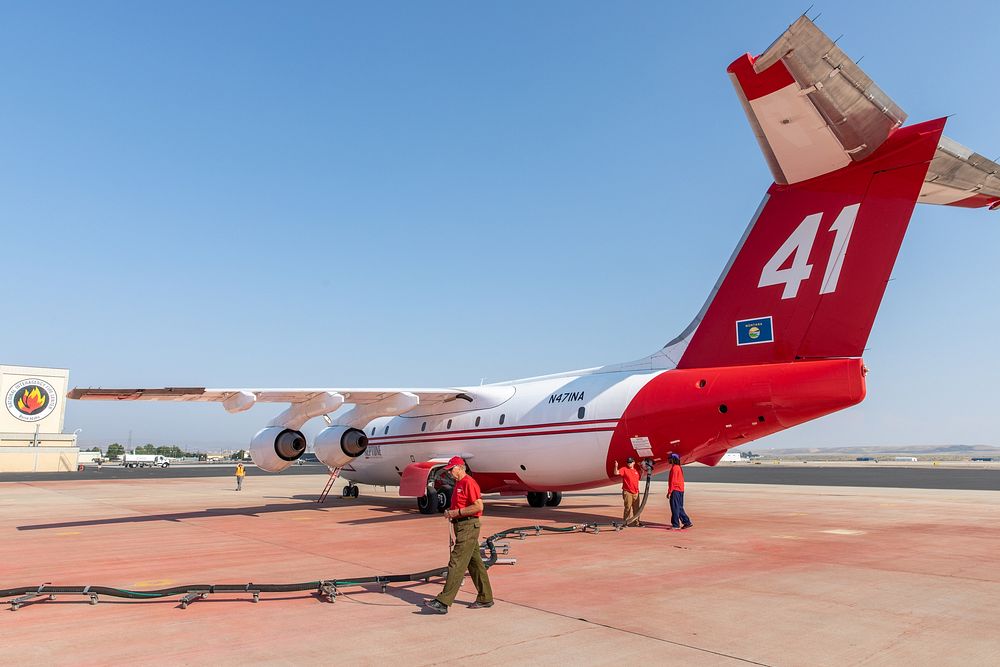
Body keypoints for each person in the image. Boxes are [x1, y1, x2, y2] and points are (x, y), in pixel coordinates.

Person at [424, 456, 494, 614]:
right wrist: (451, 512)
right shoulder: (458, 484)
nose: (449, 473)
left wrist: (456, 512)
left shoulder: (469, 482)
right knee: (475, 563)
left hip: (468, 526)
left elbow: (478, 506)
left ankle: (443, 601)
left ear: (460, 468)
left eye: (451, 470)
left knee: (456, 562)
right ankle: (485, 598)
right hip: (462, 526)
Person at [612, 456, 643, 527]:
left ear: (633, 463)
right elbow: (616, 473)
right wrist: (616, 466)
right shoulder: (624, 469)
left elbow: (641, 476)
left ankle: (637, 522)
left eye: (631, 462)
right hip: (627, 492)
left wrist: (642, 467)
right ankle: (626, 522)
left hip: (636, 492)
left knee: (636, 508)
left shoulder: (636, 471)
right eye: (628, 462)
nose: (629, 463)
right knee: (628, 507)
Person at [667, 453, 692, 529]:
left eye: (670, 458)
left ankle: (675, 524)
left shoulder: (674, 468)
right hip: (680, 490)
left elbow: (673, 481)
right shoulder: (679, 467)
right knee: (679, 507)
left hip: (675, 490)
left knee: (675, 507)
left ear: (673, 459)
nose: (668, 460)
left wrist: (669, 491)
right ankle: (686, 522)